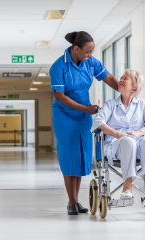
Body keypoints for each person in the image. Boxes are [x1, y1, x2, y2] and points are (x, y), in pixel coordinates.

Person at [50, 31, 119, 215]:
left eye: (92, 52)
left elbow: (108, 78)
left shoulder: (90, 63)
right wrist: (86, 109)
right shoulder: (59, 66)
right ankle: (71, 202)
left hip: (83, 116)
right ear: (76, 48)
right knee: (68, 156)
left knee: (81, 156)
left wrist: (125, 89)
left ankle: (76, 201)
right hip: (64, 115)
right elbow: (59, 96)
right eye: (88, 51)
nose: (90, 55)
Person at [91, 69, 145, 200]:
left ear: (134, 86)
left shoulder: (142, 105)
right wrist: (117, 134)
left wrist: (139, 132)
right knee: (128, 141)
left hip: (139, 144)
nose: (120, 80)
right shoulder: (111, 105)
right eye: (120, 78)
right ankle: (127, 188)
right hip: (115, 146)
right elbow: (98, 121)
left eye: (125, 78)